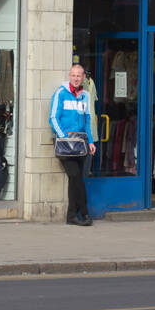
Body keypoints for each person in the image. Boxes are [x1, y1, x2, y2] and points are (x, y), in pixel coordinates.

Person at [50, 63, 96, 226]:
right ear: (70, 76)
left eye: (79, 75)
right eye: (73, 75)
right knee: (76, 177)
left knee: (75, 179)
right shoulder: (60, 93)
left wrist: (90, 141)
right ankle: (84, 213)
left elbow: (88, 120)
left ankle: (72, 216)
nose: (76, 78)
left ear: (83, 77)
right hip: (65, 143)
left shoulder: (86, 95)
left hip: (81, 143)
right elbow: (53, 118)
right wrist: (63, 137)